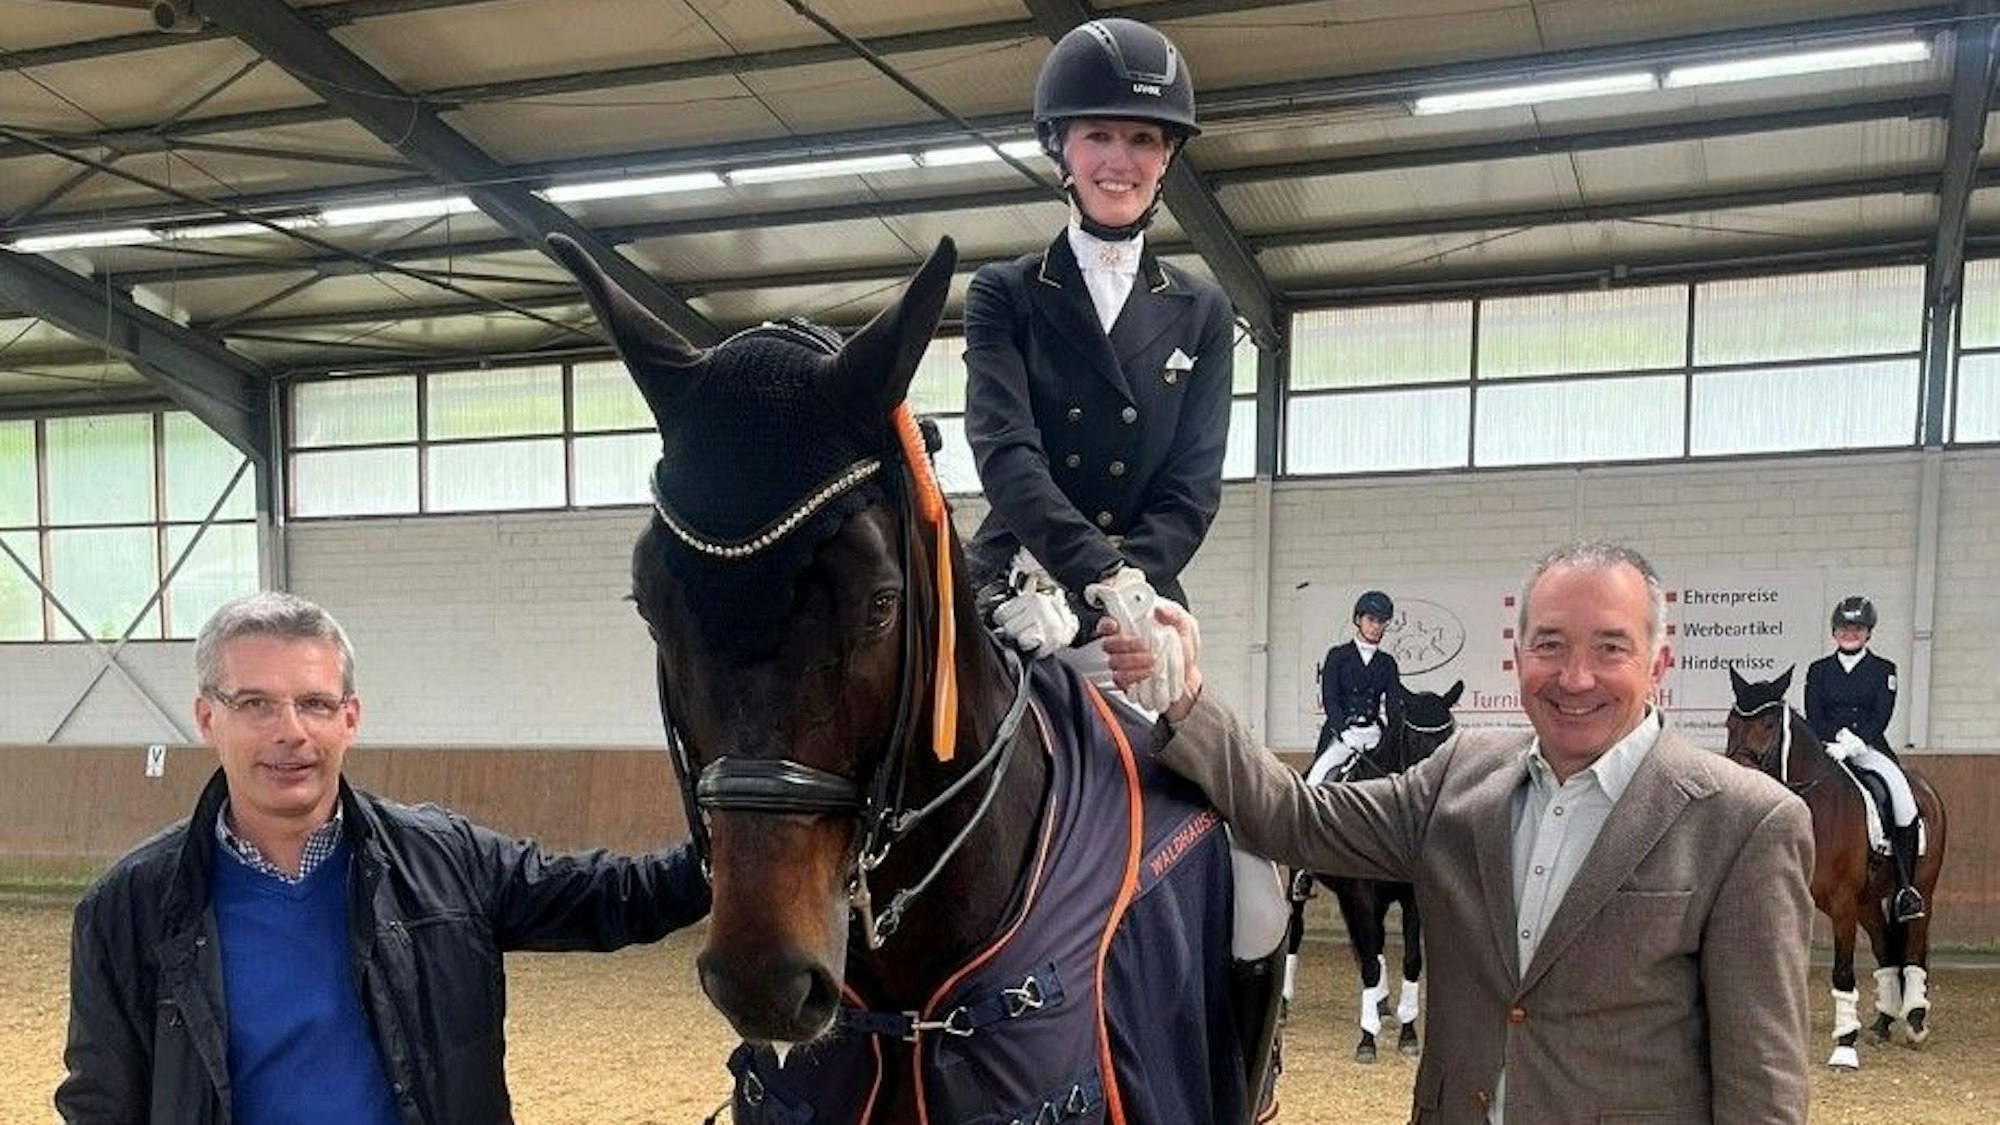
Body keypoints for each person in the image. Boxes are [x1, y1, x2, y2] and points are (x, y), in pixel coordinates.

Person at [1105, 541, 1816, 1125]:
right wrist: (1185, 697)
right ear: (1518, 653)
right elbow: (1295, 817)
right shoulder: (1460, 776)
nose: (1575, 677)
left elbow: (1764, 1087)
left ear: (1658, 662)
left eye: (1609, 648)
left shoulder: (1746, 822)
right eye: (1550, 645)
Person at [56, 592, 710, 1125]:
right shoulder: (127, 908)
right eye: (255, 703)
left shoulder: (445, 859)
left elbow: (615, 897)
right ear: (207, 718)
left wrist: (739, 834)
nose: (291, 730)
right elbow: (101, 1105)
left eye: (314, 702)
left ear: (350, 718)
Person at [965, 15, 1235, 710]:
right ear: (1061, 146)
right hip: (1015, 582)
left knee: (1190, 785)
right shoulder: (1005, 293)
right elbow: (1008, 457)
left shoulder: (1203, 311)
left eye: (1143, 138)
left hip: (1134, 601)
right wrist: (1079, 574)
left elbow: (1190, 489)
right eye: (1099, 136)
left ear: (1167, 155)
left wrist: (1108, 598)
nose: (1121, 160)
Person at [1805, 594, 1925, 921]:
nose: (1850, 633)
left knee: (1903, 800)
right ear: (1834, 631)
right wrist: (1831, 743)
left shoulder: (1883, 670)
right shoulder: (1818, 671)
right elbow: (1814, 713)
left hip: (1869, 748)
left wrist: (1856, 743)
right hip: (1827, 750)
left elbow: (1881, 715)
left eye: (1857, 628)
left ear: (1868, 632)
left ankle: (1904, 888)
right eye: (1844, 627)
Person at [1306, 589, 1402, 785]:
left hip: (1374, 734)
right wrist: (1343, 731)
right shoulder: (1338, 656)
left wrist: (1392, 738)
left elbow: (1393, 706)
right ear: (1358, 619)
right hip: (1343, 735)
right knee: (1314, 781)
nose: (1376, 627)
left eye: (1381, 622)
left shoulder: (1387, 663)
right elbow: (1330, 699)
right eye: (1371, 620)